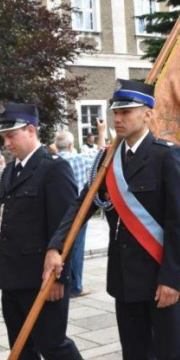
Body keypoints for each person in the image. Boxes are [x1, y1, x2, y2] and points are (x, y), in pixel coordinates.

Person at [45, 80, 180, 360]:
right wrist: (57, 246)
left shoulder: (166, 157)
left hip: (160, 279)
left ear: (148, 115)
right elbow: (81, 205)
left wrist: (171, 278)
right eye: (115, 113)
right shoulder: (106, 161)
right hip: (125, 281)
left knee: (175, 358)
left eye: (126, 112)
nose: (118, 119)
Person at [0, 103, 104, 360]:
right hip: (13, 274)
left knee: (51, 343)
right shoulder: (11, 170)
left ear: (31, 131)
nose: (7, 143)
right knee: (20, 347)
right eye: (4, 137)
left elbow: (67, 227)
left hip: (43, 275)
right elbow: (3, 220)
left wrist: (61, 277)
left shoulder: (53, 168)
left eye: (11, 136)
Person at [54, 119, 107, 297]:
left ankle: (57, 280)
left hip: (56, 212)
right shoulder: (79, 159)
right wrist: (101, 132)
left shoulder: (50, 163)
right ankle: (75, 286)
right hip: (77, 211)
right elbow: (101, 154)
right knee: (76, 248)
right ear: (70, 145)